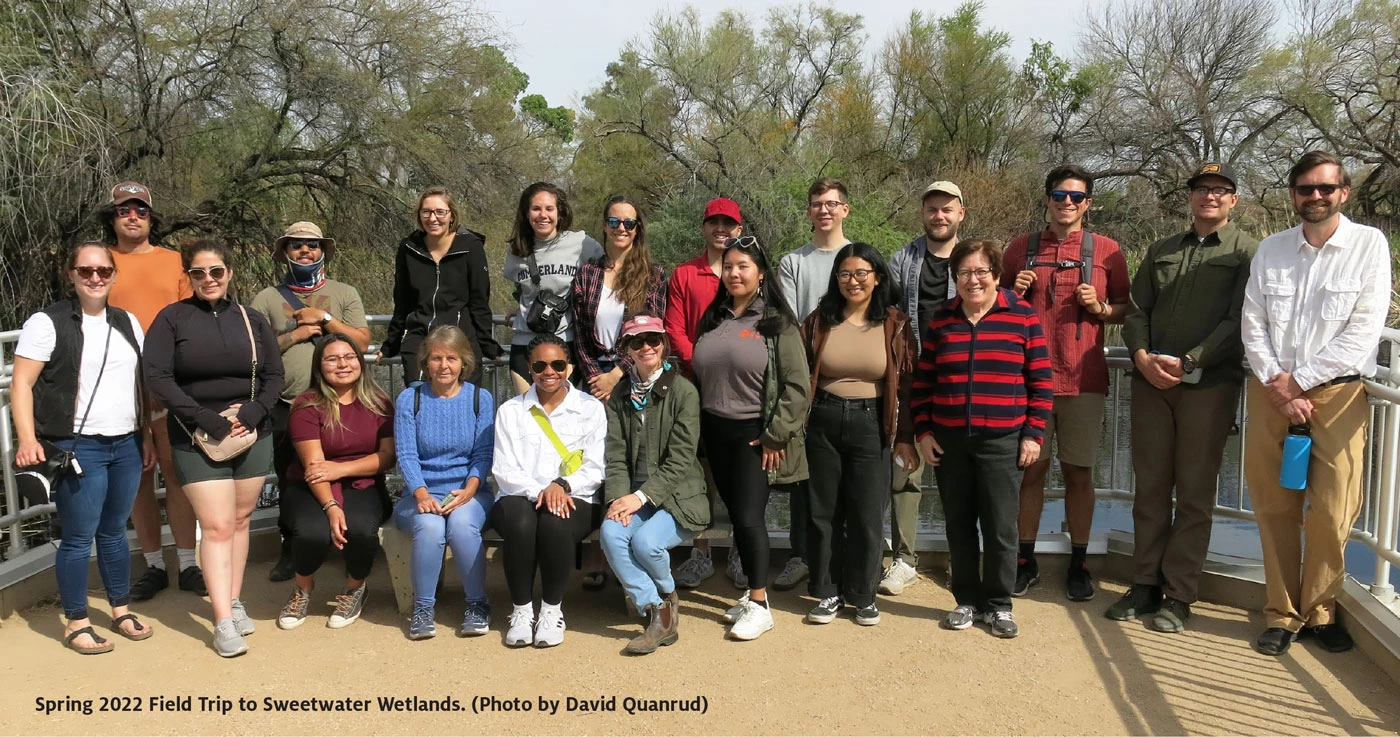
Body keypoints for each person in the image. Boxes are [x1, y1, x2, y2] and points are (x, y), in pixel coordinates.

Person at [1241, 151, 1390, 656]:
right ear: (1293, 195)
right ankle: (1282, 613)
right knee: (1274, 506)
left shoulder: (1369, 245)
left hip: (1339, 394)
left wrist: (1299, 382)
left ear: (1343, 192)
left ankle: (1322, 610)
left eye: (1326, 188)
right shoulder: (1271, 249)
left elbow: (1364, 330)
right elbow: (1253, 324)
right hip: (1271, 394)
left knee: (1332, 509)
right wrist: (1278, 386)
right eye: (1306, 188)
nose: (1316, 196)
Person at [1107, 163, 1258, 633]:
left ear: (1234, 200)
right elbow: (1136, 311)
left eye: (1220, 190)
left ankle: (1178, 594)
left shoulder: (1250, 252)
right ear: (1190, 197)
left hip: (1207, 386)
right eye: (1201, 189)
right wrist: (1142, 355)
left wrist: (1191, 360)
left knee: (1194, 493)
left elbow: (1241, 319)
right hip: (1151, 383)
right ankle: (1145, 584)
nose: (1209, 196)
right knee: (1150, 487)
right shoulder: (1162, 249)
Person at [11, 243, 155, 653]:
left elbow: (139, 385)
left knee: (114, 531)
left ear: (113, 274)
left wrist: (144, 435)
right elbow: (21, 384)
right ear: (71, 274)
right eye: (86, 271)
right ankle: (76, 621)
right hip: (78, 446)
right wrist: (27, 439)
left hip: (125, 441)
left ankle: (120, 609)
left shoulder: (127, 321)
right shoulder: (47, 322)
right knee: (78, 536)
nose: (95, 278)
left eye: (103, 271)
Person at [144, 238, 285, 657]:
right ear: (188, 276)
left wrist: (257, 411)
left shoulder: (252, 318)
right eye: (199, 273)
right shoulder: (172, 319)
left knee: (240, 521)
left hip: (250, 433)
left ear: (229, 274)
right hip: (195, 435)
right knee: (218, 527)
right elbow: (157, 376)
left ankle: (235, 599)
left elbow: (275, 375)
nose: (209, 279)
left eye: (216, 271)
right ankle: (222, 619)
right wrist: (203, 417)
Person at [1001, 165, 1131, 602]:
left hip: (1083, 380)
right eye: (1059, 195)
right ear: (1047, 200)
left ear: (1088, 203)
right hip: (1028, 381)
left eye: (1076, 197)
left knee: (1079, 473)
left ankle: (1079, 561)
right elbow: (992, 308)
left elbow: (1126, 309)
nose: (1067, 203)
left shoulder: (1108, 251)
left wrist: (1102, 308)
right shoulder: (1020, 249)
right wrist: (1012, 295)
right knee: (1029, 472)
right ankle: (1024, 559)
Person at [913, 239, 1052, 639]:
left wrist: (1032, 435)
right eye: (963, 273)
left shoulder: (1022, 317)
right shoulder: (943, 318)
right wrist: (923, 430)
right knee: (958, 524)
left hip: (1003, 440)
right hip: (950, 441)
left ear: (996, 275)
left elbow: (1041, 384)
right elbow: (923, 382)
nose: (972, 280)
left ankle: (999, 605)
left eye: (980, 272)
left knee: (1000, 526)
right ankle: (966, 601)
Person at [691, 235, 810, 641]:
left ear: (761, 273)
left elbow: (798, 387)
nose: (734, 273)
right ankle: (749, 595)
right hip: (714, 432)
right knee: (736, 518)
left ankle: (759, 603)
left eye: (743, 266)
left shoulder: (777, 323)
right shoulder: (715, 318)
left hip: (753, 437)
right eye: (728, 266)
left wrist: (776, 435)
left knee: (748, 517)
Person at [800, 243, 917, 627]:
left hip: (872, 423)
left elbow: (908, 385)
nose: (853, 281)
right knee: (824, 512)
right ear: (836, 279)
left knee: (868, 512)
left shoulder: (895, 322)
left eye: (862, 273)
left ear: (878, 277)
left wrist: (905, 436)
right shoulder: (820, 320)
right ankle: (827, 590)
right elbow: (799, 372)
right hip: (824, 418)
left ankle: (863, 594)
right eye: (845, 274)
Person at [97, 181, 204, 602]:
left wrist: (168, 379)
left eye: (140, 210)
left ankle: (188, 561)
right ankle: (154, 565)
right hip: (119, 388)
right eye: (125, 210)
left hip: (169, 385)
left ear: (151, 217)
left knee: (179, 475)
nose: (133, 216)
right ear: (114, 217)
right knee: (136, 478)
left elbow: (190, 319)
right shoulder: (100, 264)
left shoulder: (174, 261)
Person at [250, 221, 371, 583]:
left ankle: (350, 540)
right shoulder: (267, 297)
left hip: (340, 401)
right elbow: (256, 348)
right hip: (288, 403)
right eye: (297, 245)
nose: (305, 251)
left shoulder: (344, 292)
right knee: (292, 478)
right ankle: (293, 546)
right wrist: (297, 333)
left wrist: (326, 320)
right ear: (285, 251)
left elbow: (361, 343)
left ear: (323, 251)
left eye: (313, 245)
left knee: (349, 473)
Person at [600, 314, 710, 654]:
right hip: (634, 493)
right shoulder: (621, 394)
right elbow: (615, 453)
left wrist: (640, 497)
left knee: (647, 543)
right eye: (637, 342)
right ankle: (659, 610)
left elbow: (681, 459)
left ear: (663, 345)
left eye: (653, 339)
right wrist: (619, 499)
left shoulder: (683, 391)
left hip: (679, 497)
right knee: (611, 533)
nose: (646, 347)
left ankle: (667, 593)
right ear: (627, 350)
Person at [490, 334, 607, 647]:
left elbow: (596, 466)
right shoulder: (510, 411)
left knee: (555, 522)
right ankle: (521, 610)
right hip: (520, 495)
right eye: (540, 365)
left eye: (557, 364)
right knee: (520, 521)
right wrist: (542, 491)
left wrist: (562, 486)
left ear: (568, 366)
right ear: (529, 368)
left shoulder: (590, 408)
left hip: (576, 495)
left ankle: (551, 610)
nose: (549, 371)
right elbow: (504, 469)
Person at [275, 333, 394, 631]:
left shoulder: (379, 402)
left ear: (360, 362)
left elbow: (387, 457)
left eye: (349, 357)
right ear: (319, 366)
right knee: (312, 533)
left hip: (363, 484)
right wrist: (330, 506)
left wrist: (340, 470)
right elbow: (315, 467)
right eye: (332, 358)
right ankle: (302, 588)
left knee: (361, 530)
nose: (342, 364)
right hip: (308, 486)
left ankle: (355, 587)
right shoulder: (306, 405)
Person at [882, 179, 966, 595]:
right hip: (912, 375)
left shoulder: (972, 260)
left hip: (958, 378)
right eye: (932, 209)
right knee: (905, 466)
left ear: (960, 214)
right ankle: (904, 559)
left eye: (947, 209)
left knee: (958, 473)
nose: (939, 216)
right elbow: (889, 315)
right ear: (923, 213)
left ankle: (960, 558)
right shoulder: (903, 259)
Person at [773, 178, 853, 592]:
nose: (825, 210)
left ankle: (843, 556)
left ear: (845, 210)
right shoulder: (794, 262)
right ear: (809, 212)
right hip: (806, 378)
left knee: (845, 475)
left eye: (832, 203)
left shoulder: (859, 258)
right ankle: (801, 554)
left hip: (854, 381)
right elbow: (788, 319)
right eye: (817, 204)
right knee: (803, 474)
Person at [391, 326, 496, 640]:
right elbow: (406, 454)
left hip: (469, 490)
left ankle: (477, 604)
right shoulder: (411, 399)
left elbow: (483, 452)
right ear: (425, 362)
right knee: (431, 527)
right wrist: (421, 493)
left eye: (452, 358)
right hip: (420, 492)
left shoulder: (481, 398)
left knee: (462, 526)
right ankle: (423, 608)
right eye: (436, 358)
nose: (444, 365)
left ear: (464, 361)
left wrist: (470, 488)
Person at [663, 197, 742, 590]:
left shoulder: (746, 272)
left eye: (728, 224)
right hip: (694, 384)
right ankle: (701, 553)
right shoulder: (685, 274)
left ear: (739, 230)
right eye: (714, 222)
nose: (721, 229)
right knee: (698, 470)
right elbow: (674, 328)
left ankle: (742, 550)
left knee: (741, 468)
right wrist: (704, 362)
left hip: (742, 390)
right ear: (704, 227)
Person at [380, 186, 500, 385]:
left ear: (452, 215)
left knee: (463, 402)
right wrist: (390, 344)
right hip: (420, 337)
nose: (432, 218)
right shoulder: (409, 248)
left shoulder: (470, 247)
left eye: (440, 212)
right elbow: (402, 302)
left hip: (461, 336)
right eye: (426, 212)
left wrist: (488, 344)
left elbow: (480, 301)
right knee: (419, 400)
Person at [502, 182, 604, 395]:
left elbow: (605, 279)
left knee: (562, 418)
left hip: (565, 343)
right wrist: (519, 305)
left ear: (560, 212)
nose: (543, 215)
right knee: (527, 416)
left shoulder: (582, 244)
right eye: (536, 209)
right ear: (527, 213)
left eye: (549, 208)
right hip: (525, 343)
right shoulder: (516, 249)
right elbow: (524, 287)